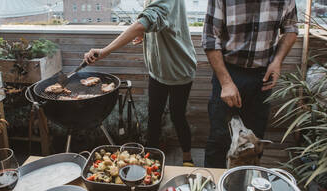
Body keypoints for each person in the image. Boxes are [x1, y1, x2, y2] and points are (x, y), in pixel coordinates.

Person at [84, 0, 197, 166]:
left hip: (178, 68)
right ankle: (151, 160)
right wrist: (145, 34)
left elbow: (144, 22)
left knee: (177, 115)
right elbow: (160, 21)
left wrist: (104, 51)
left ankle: (187, 157)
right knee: (153, 116)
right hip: (158, 71)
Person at [202, 0, 298, 168]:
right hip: (228, 73)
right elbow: (210, 37)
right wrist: (225, 82)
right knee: (219, 139)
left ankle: (244, 181)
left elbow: (291, 29)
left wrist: (277, 61)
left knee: (254, 142)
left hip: (262, 76)